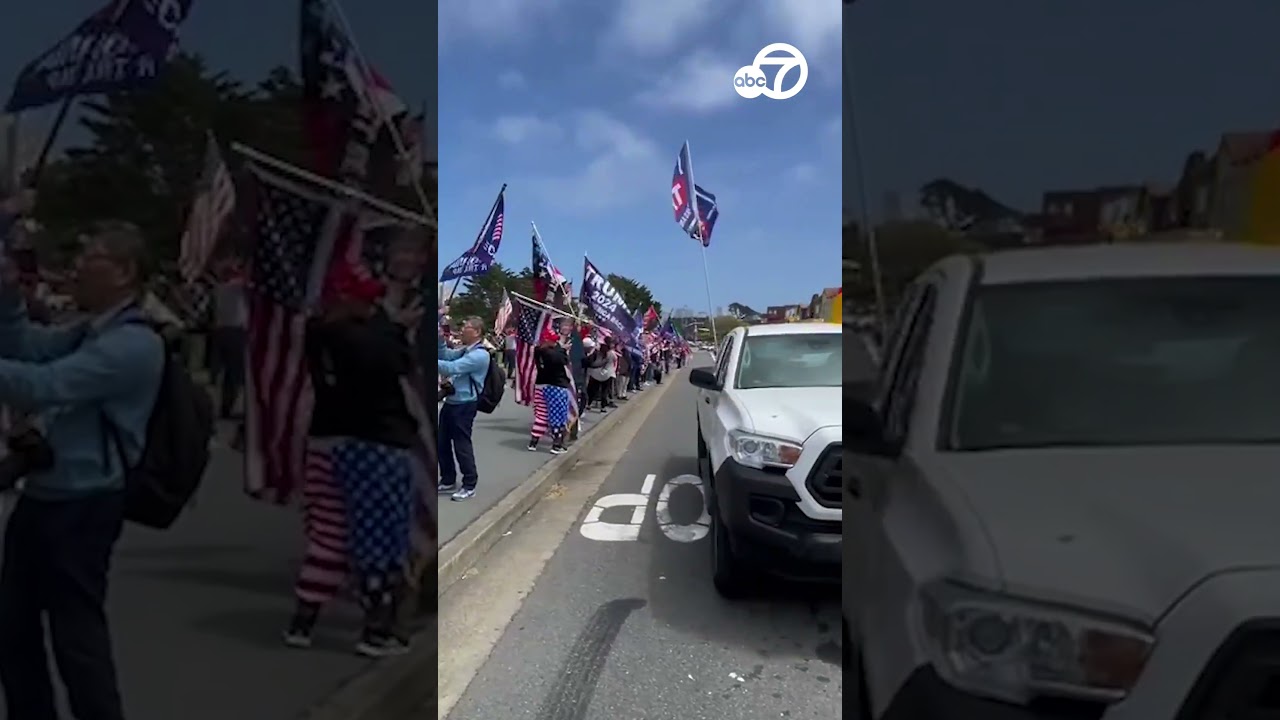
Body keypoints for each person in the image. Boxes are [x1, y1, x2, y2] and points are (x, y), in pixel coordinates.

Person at [0, 218, 163, 720]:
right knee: (12, 629)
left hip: (85, 505)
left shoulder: (134, 345)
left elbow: (44, 385)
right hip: (45, 495)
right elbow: (27, 349)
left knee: (76, 637)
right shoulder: (89, 331)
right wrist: (7, 299)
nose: (75, 265)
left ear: (123, 271)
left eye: (89, 255)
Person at [285, 259, 418, 657]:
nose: (371, 307)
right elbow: (394, 365)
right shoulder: (354, 338)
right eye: (365, 300)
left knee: (329, 535)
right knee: (379, 538)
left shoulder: (317, 332)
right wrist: (396, 328)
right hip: (374, 445)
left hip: (326, 442)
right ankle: (374, 632)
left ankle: (302, 622)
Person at [437, 316, 489, 501]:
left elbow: (451, 368)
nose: (462, 328)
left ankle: (469, 484)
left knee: (461, 444)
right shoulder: (466, 351)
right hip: (452, 402)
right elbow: (446, 356)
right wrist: (440, 339)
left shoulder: (480, 355)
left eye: (466, 326)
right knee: (441, 442)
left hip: (465, 405)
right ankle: (448, 478)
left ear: (476, 332)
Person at [209, 260, 248, 419]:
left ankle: (226, 405)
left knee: (228, 373)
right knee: (237, 371)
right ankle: (236, 406)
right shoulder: (235, 287)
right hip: (236, 331)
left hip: (221, 330)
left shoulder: (218, 289)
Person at [527, 325, 573, 453]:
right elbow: (563, 361)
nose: (555, 342)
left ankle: (533, 442)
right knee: (558, 416)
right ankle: (556, 445)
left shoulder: (537, 351)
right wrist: (564, 351)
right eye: (553, 340)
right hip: (556, 387)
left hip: (540, 386)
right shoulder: (553, 354)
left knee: (541, 415)